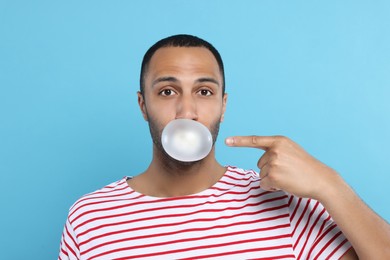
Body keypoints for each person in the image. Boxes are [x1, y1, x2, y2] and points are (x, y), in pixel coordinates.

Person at [58, 34, 390, 259]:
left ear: (223, 104)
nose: (186, 112)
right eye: (167, 92)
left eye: (204, 92)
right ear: (143, 105)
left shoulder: (283, 203)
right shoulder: (91, 217)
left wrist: (331, 185)